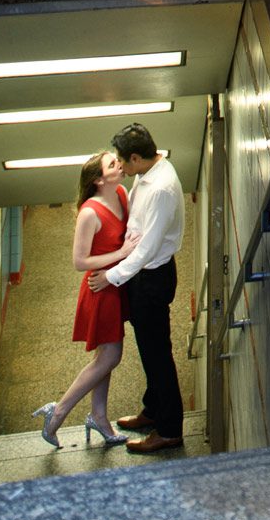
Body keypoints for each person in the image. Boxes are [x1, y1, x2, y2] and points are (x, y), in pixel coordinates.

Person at [88, 123, 186, 454]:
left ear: (135, 157)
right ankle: (153, 410)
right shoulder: (147, 173)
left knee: (158, 355)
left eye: (122, 162)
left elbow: (147, 249)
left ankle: (170, 429)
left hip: (152, 278)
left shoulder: (160, 189)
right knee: (149, 351)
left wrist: (111, 276)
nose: (120, 168)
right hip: (141, 274)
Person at [31, 152, 134, 450]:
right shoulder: (90, 212)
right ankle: (59, 410)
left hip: (116, 284)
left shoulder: (121, 193)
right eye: (113, 164)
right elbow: (79, 261)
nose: (120, 165)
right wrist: (122, 253)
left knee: (104, 357)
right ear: (98, 179)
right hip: (100, 289)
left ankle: (99, 416)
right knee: (110, 357)